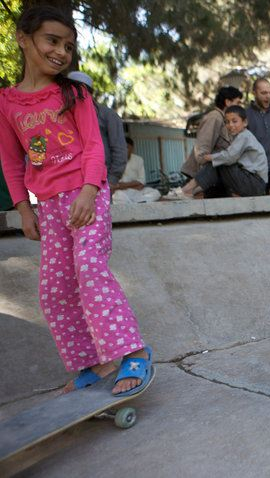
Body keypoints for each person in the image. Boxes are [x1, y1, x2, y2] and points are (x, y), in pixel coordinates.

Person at [0, 6, 153, 396]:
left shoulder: (74, 93)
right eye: (52, 41)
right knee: (54, 288)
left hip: (87, 194)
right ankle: (90, 364)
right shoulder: (8, 103)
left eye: (68, 45)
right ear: (22, 38)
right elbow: (12, 159)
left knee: (89, 270)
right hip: (48, 204)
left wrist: (88, 191)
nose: (61, 52)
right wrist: (23, 207)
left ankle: (132, 352)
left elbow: (93, 147)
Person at [181, 105, 267, 198]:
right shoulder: (240, 136)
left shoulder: (244, 136)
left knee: (220, 162)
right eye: (227, 122)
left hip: (254, 183)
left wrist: (211, 157)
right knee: (219, 164)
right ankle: (193, 190)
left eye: (234, 121)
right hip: (252, 182)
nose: (230, 125)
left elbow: (229, 157)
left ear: (245, 122)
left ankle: (187, 189)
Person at [66, 71, 128, 188]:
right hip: (69, 183)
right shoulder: (62, 115)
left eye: (78, 90)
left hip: (101, 181)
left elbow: (119, 149)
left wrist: (112, 180)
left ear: (89, 92)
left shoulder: (107, 115)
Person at [181, 85, 243, 197]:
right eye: (238, 103)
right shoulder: (214, 118)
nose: (239, 107)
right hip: (205, 179)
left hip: (215, 178)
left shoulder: (223, 119)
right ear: (228, 102)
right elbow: (201, 153)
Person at [111, 137, 161, 203]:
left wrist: (121, 185)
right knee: (117, 196)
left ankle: (136, 203)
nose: (124, 150)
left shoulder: (138, 160)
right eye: (122, 148)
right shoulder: (114, 161)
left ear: (132, 149)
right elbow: (113, 186)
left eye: (127, 147)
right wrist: (133, 184)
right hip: (122, 192)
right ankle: (139, 203)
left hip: (136, 191)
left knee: (156, 192)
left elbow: (142, 182)